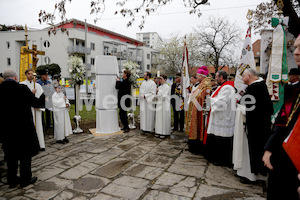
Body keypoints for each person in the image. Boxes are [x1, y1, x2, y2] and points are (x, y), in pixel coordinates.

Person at [262, 67, 300, 199]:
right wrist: (269, 147)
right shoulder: (291, 88)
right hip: (282, 148)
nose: (295, 52)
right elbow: (283, 117)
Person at [0, 69, 39, 188]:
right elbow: (34, 103)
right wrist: (32, 94)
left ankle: (11, 179)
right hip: (23, 129)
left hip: (6, 129)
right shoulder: (22, 88)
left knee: (10, 155)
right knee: (25, 156)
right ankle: (25, 179)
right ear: (16, 78)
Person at [241, 68, 273, 180]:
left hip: (257, 126)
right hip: (259, 124)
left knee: (256, 149)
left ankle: (255, 175)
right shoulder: (258, 86)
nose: (242, 78)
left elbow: (246, 105)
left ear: (249, 76)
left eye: (243, 75)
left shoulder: (256, 87)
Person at [206, 70, 236, 167]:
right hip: (219, 117)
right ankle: (216, 158)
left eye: (216, 77)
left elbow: (221, 102)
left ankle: (223, 160)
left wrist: (209, 99)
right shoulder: (222, 87)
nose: (215, 78)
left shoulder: (228, 88)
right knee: (217, 138)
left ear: (221, 77)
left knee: (223, 139)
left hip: (224, 118)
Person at [185, 66, 211, 155]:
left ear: (201, 75)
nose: (197, 76)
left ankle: (197, 147)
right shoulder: (202, 83)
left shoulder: (206, 83)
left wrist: (193, 97)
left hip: (199, 109)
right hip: (196, 107)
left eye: (197, 75)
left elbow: (201, 95)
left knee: (199, 126)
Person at [20, 69, 46, 151]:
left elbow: (42, 96)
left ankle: (40, 144)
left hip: (36, 109)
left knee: (38, 126)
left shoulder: (37, 85)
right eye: (29, 74)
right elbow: (21, 97)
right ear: (26, 75)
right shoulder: (22, 85)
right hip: (27, 109)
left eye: (32, 74)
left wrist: (37, 104)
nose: (31, 75)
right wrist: (31, 93)